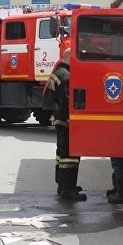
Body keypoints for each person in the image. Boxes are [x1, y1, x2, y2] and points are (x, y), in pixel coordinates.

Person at [48, 48, 86, 201]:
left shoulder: (58, 72)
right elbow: (66, 101)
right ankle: (68, 190)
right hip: (65, 120)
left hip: (58, 118)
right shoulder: (66, 76)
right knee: (70, 156)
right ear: (70, 57)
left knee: (61, 155)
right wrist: (73, 120)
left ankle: (62, 185)